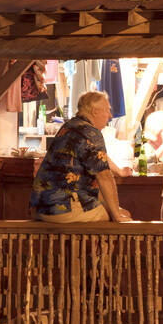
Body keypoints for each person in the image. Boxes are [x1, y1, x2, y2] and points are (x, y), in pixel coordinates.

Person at [30, 91, 133, 224]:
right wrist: (117, 216)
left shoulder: (70, 126)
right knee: (122, 217)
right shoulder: (91, 132)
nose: (110, 116)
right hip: (64, 208)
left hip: (40, 207)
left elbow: (99, 157)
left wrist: (118, 171)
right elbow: (104, 176)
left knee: (115, 209)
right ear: (95, 111)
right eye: (107, 110)